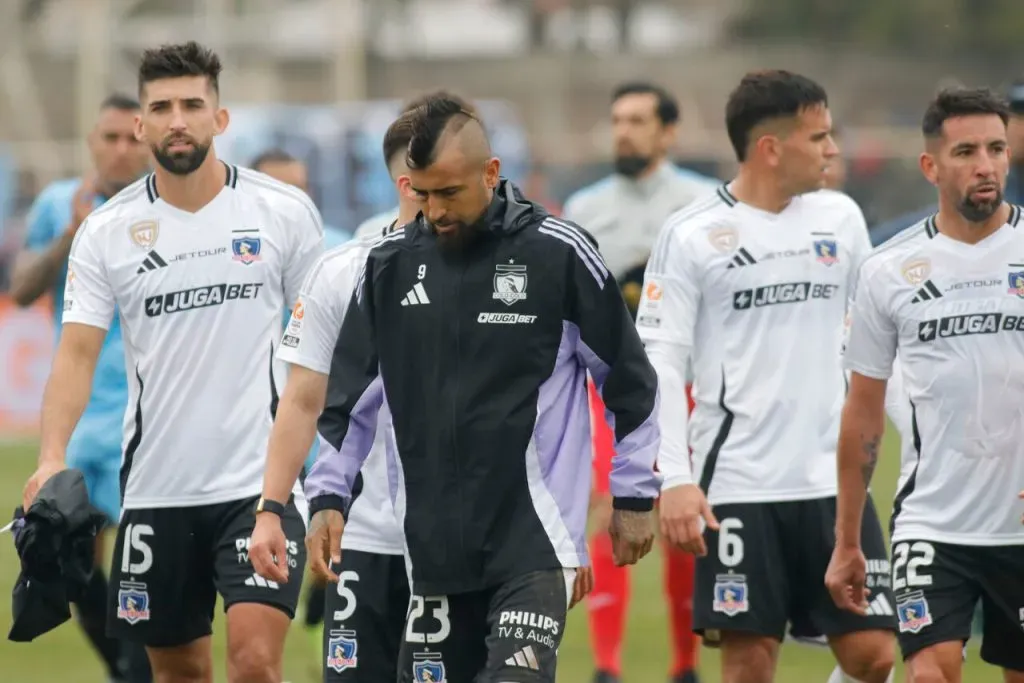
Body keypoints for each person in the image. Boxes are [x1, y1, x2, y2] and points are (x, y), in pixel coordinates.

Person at [252, 93, 661, 683]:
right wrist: (327, 499)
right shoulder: (387, 267)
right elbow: (347, 402)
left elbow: (629, 379)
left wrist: (634, 494)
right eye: (423, 194)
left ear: (491, 174)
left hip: (534, 541)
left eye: (450, 193)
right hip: (434, 549)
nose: (436, 210)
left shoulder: (559, 254)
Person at [20, 41, 323, 683]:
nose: (177, 119)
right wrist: (51, 458)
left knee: (254, 662)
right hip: (157, 490)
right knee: (179, 673)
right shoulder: (107, 232)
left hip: (258, 488)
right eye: (161, 107)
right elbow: (74, 356)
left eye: (192, 104)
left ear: (221, 118)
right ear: (141, 124)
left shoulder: (283, 213)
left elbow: (319, 359)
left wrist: (329, 479)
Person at [638, 70, 897, 683]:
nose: (833, 150)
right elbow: (662, 362)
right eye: (820, 137)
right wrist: (674, 477)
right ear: (771, 148)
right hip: (739, 483)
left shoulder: (841, 218)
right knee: (749, 664)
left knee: (875, 655)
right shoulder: (691, 234)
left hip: (835, 481)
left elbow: (875, 345)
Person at [827, 86, 1024, 683]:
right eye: (966, 151)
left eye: (996, 147)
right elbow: (862, 414)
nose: (986, 164)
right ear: (930, 166)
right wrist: (846, 542)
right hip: (932, 526)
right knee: (929, 674)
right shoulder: (887, 271)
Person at [562, 81, 717, 683]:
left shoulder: (703, 204)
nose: (623, 131)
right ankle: (605, 667)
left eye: (638, 120)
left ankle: (684, 666)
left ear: (669, 132)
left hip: (687, 387)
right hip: (608, 393)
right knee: (604, 510)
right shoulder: (584, 208)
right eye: (618, 119)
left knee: (685, 516)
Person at [10, 93, 152, 683]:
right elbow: (20, 288)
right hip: (81, 414)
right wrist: (71, 232)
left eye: (130, 138)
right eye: (109, 138)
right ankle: (123, 665)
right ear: (92, 142)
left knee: (139, 566)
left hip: (146, 413)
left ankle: (136, 666)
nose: (121, 149)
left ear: (146, 142)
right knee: (71, 561)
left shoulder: (165, 209)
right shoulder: (56, 204)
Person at [249, 149, 352, 250]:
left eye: (298, 188)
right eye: (278, 189)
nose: (291, 198)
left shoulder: (340, 248)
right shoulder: (241, 245)